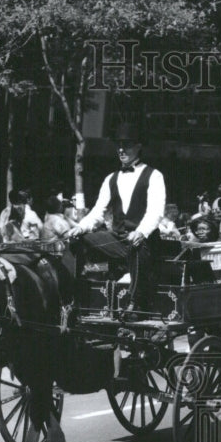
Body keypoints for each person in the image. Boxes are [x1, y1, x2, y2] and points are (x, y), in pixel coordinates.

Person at [68, 135, 166, 314]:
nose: (121, 150)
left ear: (138, 146)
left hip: (145, 241)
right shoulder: (111, 178)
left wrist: (141, 232)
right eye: (119, 146)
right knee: (77, 239)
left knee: (137, 244)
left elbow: (155, 211)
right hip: (117, 239)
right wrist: (79, 227)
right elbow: (98, 211)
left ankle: (135, 303)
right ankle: (75, 294)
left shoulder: (154, 175)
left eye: (126, 145)